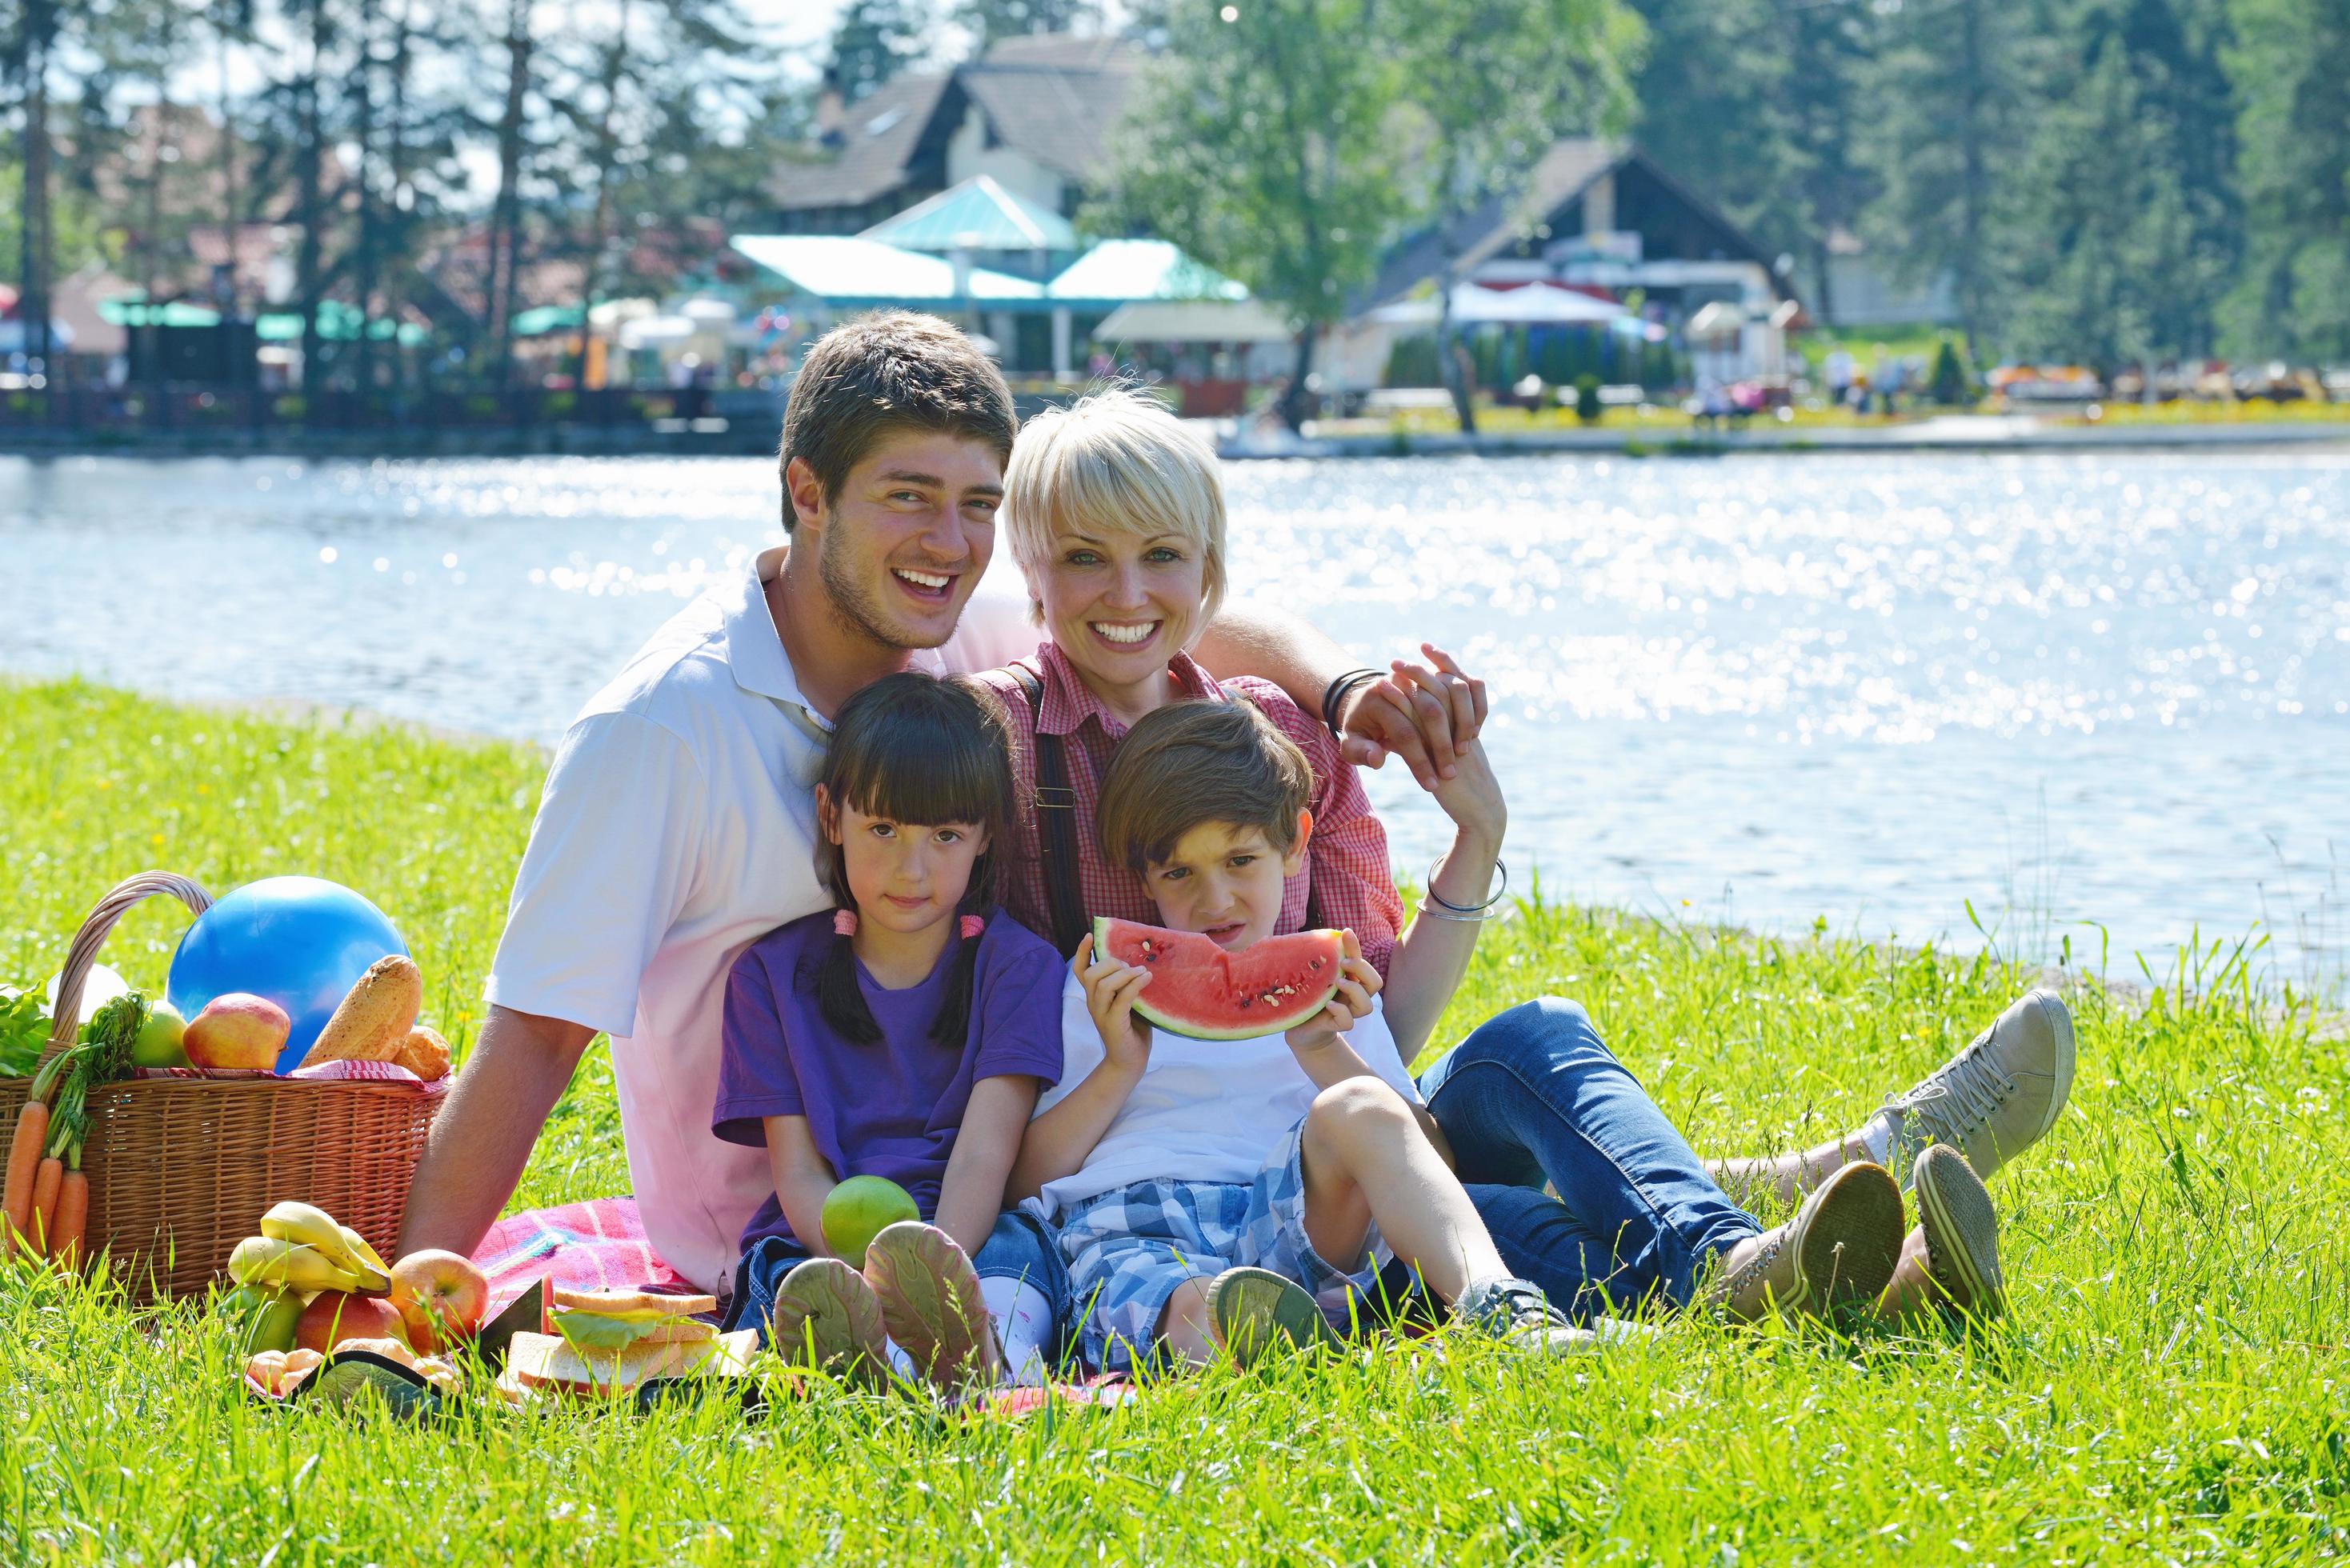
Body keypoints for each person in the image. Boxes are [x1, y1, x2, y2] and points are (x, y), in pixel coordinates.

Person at [394, 311, 1481, 1298]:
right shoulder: (657, 731)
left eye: (976, 507)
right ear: (808, 493)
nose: (948, 543)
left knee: (1518, 1122)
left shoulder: (940, 617)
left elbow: (1168, 612)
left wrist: (1341, 690)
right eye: (908, 496)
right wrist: (408, 1293)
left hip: (988, 1188)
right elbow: (534, 1038)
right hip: (769, 1232)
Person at [975, 385, 2068, 1324]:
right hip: (1192, 1177)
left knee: (1532, 1037)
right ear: (1031, 574)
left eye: (1160, 557)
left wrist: (1477, 836)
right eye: (1084, 560)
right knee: (1506, 1228)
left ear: (1207, 571)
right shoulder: (997, 746)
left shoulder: (1285, 731)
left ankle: (1740, 1249)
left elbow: (1384, 1029)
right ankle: (1860, 1277)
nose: (1126, 596)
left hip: (1346, 1111)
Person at [1009, 699, 1631, 1370]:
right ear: (1142, 878)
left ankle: (1500, 1307)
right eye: (1178, 873)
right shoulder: (1101, 987)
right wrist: (1117, 1067)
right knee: (1196, 1304)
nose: (1214, 900)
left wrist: (1321, 1050)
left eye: (1240, 860)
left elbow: (1425, 1161)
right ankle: (1259, 1349)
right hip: (1134, 1220)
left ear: (1297, 841)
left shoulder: (1334, 990)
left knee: (1358, 1106)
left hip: (1289, 1213)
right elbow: (1027, 1181)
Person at [711, 673, 1065, 1390]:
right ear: (830, 816)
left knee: (1014, 1266)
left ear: (985, 836)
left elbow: (983, 1158)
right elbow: (800, 1172)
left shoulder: (1019, 966)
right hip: (817, 1236)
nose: (912, 869)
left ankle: (987, 1363)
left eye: (944, 836)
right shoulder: (770, 976)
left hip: (972, 1229)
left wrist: (927, 1271)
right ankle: (880, 1358)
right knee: (792, 1282)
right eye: (882, 829)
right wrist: (863, 1269)